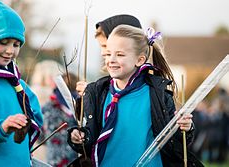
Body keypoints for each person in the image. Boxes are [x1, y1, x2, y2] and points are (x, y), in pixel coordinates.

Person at [68, 25, 204, 166]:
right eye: (108, 54)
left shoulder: (157, 94)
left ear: (139, 60)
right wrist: (79, 137)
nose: (111, 59)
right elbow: (90, 138)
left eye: (120, 54)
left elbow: (174, 143)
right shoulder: (96, 93)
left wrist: (185, 128)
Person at [0, 0, 43, 167]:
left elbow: (36, 117)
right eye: (3, 42)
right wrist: (2, 127)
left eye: (16, 44)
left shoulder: (16, 82)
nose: (10, 51)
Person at [76, 14, 142, 96]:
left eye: (105, 46)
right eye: (101, 46)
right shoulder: (103, 89)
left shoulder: (153, 92)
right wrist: (90, 97)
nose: (103, 53)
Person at [41, 72, 78, 167]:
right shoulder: (81, 108)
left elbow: (40, 135)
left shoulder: (47, 108)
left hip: (54, 160)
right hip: (75, 159)